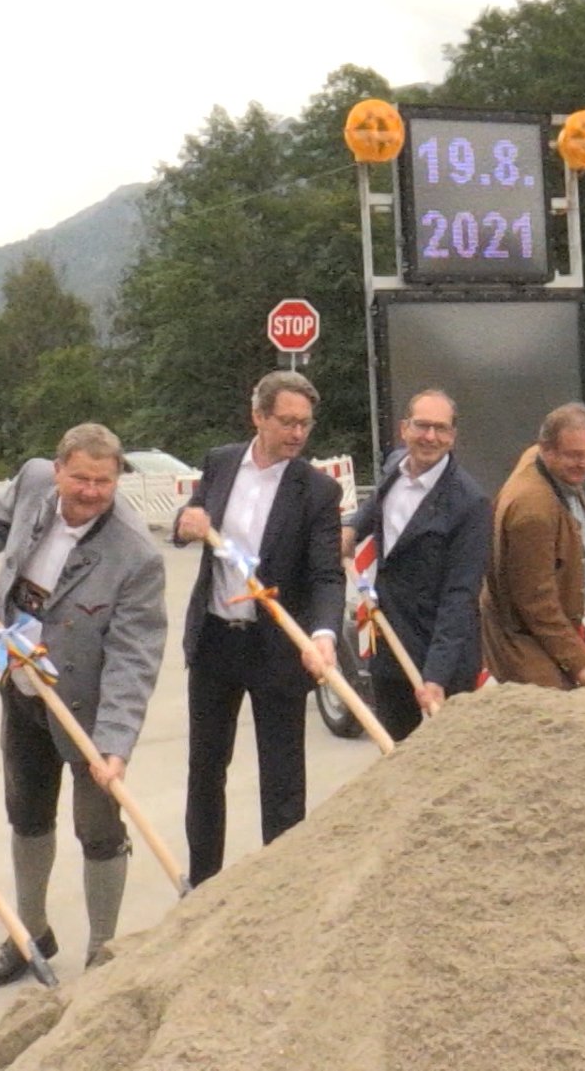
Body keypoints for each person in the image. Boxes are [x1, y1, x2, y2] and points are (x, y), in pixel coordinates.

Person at [0, 424, 167, 986]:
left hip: (86, 707)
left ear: (117, 480)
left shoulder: (136, 555)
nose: (89, 491)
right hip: (20, 682)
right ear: (57, 470)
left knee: (98, 828)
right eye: (80, 478)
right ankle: (30, 932)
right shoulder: (32, 481)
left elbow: (135, 658)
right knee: (26, 812)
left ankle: (103, 952)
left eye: (103, 482)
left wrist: (114, 746)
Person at [171, 371, 344, 886]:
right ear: (258, 417)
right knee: (206, 769)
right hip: (216, 640)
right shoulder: (222, 462)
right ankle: (204, 886)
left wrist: (323, 635)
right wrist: (187, 521)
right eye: (286, 422)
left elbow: (326, 575)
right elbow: (194, 516)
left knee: (283, 778)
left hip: (277, 647)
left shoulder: (317, 491)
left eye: (305, 425)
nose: (296, 434)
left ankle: (280, 890)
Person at [343, 390, 490, 739]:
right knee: (395, 758)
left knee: (448, 768)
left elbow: (460, 597)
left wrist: (436, 676)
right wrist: (352, 528)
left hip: (442, 657)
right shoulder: (395, 465)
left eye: (441, 429)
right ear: (404, 428)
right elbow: (375, 505)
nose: (430, 437)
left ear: (453, 436)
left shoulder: (470, 503)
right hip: (390, 644)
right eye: (422, 426)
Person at [479, 402, 585, 689]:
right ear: (547, 450)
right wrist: (577, 660)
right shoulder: (533, 512)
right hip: (521, 636)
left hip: (540, 630)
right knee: (554, 719)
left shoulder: (551, 468)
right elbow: (536, 602)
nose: (583, 464)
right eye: (573, 455)